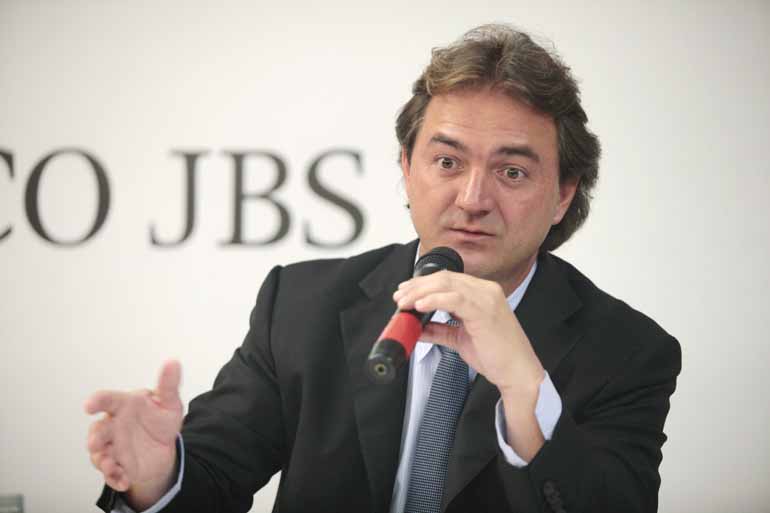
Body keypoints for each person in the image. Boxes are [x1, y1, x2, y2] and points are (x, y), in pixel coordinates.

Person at [85, 24, 681, 513]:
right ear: (406, 168)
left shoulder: (629, 352)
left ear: (562, 195)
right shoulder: (301, 305)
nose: (473, 198)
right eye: (447, 161)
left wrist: (525, 387)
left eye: (512, 172)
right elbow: (211, 480)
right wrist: (157, 477)